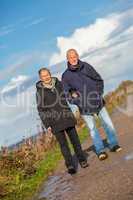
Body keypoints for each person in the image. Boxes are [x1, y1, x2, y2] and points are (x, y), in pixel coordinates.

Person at [62, 49, 122, 161]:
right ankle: (100, 151)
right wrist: (78, 101)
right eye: (70, 57)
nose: (73, 58)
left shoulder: (86, 66)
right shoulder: (66, 76)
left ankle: (113, 144)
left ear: (78, 56)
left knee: (108, 124)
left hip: (98, 102)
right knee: (93, 129)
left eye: (74, 56)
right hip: (84, 107)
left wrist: (99, 94)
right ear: (67, 59)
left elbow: (99, 79)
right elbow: (67, 94)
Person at [36, 67, 88, 174]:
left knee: (75, 141)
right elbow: (41, 109)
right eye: (43, 76)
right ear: (40, 78)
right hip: (54, 122)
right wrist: (47, 124)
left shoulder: (59, 84)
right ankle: (70, 165)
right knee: (63, 145)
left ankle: (82, 160)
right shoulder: (39, 92)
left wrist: (73, 92)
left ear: (50, 74)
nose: (46, 77)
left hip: (67, 117)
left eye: (47, 74)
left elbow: (69, 89)